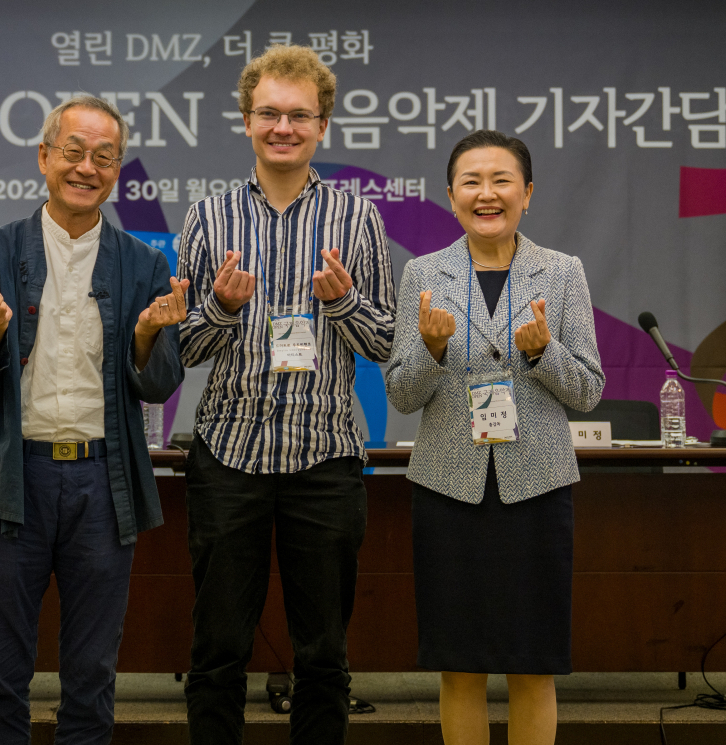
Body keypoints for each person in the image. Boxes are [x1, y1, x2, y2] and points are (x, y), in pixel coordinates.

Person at [0, 95, 187, 745]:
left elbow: (160, 381)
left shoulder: (144, 264)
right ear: (44, 158)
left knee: (92, 676)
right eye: (73, 152)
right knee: (1, 675)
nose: (86, 168)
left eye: (104, 157)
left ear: (117, 173)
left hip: (104, 486)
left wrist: (145, 337)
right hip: (14, 484)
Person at [176, 44, 396, 744]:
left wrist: (344, 304)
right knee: (217, 652)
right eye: (269, 113)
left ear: (322, 126)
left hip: (326, 459)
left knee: (323, 656)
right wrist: (219, 310)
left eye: (299, 116)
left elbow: (387, 345)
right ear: (246, 120)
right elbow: (174, 351)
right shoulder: (207, 219)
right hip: (228, 455)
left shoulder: (357, 219)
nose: (283, 127)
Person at [384, 129, 604, 745]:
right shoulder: (424, 274)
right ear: (451, 196)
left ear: (527, 193)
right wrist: (428, 350)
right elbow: (401, 394)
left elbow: (589, 389)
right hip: (448, 491)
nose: (487, 194)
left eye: (502, 180)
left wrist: (545, 354)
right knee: (460, 666)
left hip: (536, 487)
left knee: (533, 667)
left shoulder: (561, 273)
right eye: (472, 182)